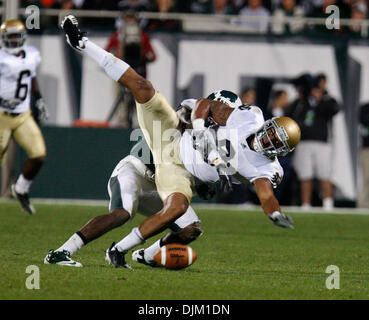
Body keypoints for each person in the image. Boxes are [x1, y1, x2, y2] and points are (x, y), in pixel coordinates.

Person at [60, 15, 300, 268]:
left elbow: (265, 193)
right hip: (172, 139)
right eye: (272, 131)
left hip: (179, 173)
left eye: (275, 141)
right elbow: (203, 106)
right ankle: (83, 43)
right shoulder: (246, 117)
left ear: (280, 150)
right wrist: (198, 127)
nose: (268, 138)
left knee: (182, 215)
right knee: (142, 87)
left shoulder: (266, 168)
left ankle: (129, 251)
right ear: (268, 124)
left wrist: (273, 212)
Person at [44, 141, 210, 267]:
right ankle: (61, 252)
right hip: (137, 170)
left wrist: (202, 184)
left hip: (161, 186)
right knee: (122, 213)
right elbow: (150, 149)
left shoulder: (214, 143)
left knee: (190, 229)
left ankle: (148, 256)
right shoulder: (182, 122)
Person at [0, 19, 49, 214]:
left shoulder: (32, 54)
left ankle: (20, 188)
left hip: (22, 114)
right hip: (1, 115)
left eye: (15, 36)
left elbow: (31, 76)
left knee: (38, 156)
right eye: (9, 37)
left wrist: (39, 99)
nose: (13, 40)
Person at [288, 74, 340, 210]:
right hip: (304, 142)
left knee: (324, 174)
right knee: (305, 174)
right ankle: (306, 204)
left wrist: (322, 98)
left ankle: (328, 203)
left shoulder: (327, 102)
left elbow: (336, 109)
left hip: (322, 143)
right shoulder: (302, 102)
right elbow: (292, 116)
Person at [358, 102, 369, 208]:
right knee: (367, 177)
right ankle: (363, 205)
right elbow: (364, 121)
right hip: (367, 148)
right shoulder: (365, 108)